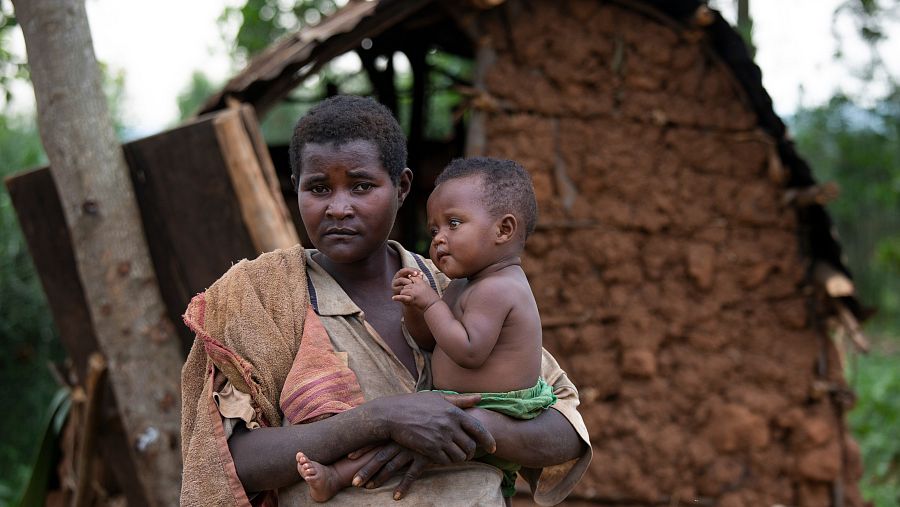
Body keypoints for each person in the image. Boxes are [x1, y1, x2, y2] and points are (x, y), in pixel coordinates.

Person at [180, 95, 592, 506]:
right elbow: (224, 460)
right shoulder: (264, 296)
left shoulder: (454, 286)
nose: (339, 208)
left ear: (402, 187)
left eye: (362, 186)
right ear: (296, 189)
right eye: (319, 188)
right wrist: (379, 420)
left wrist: (467, 425)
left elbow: (563, 431)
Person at [295, 157, 554, 501]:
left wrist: (431, 303)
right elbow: (430, 341)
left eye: (454, 223)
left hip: (498, 409)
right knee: (405, 427)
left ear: (503, 230)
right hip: (468, 406)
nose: (439, 239)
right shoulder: (466, 283)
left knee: (397, 431)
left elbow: (469, 351)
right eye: (434, 230)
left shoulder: (499, 288)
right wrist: (414, 308)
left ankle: (337, 476)